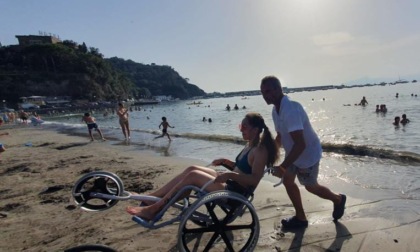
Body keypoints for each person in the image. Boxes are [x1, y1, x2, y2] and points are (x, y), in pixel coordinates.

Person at [126, 112, 279, 220]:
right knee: (192, 168)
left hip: (236, 193)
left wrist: (230, 175)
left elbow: (253, 179)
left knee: (193, 177)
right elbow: (241, 169)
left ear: (256, 129)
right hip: (231, 183)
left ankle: (154, 208)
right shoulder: (250, 145)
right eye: (241, 126)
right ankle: (152, 197)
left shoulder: (260, 150)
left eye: (244, 127)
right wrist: (226, 162)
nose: (241, 129)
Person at [260, 76, 346, 229]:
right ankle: (301, 218)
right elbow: (280, 136)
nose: (265, 95)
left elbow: (301, 144)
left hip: (307, 154)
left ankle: (338, 200)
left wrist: (283, 167)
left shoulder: (291, 110)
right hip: (293, 153)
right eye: (262, 92)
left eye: (268, 91)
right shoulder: (276, 110)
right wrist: (270, 153)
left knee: (310, 186)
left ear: (279, 89)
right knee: (288, 181)